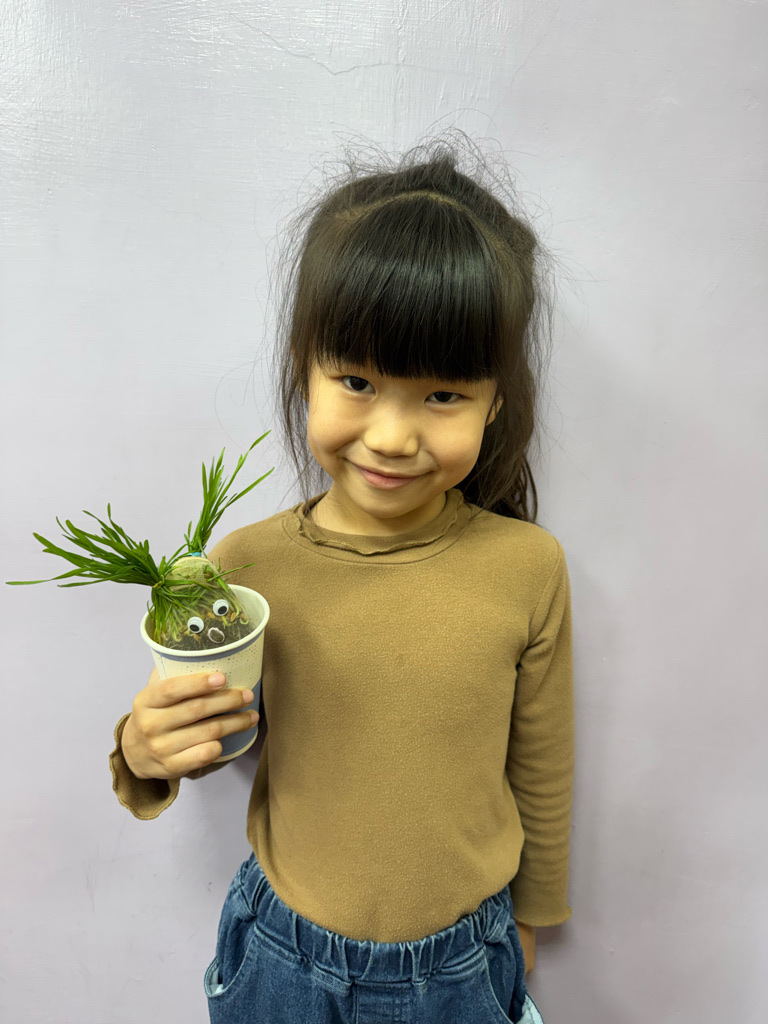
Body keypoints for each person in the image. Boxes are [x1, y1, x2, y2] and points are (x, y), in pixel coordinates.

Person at [109, 130, 575, 1024]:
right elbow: (210, 729)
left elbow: (542, 761)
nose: (392, 437)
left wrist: (532, 917)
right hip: (281, 959)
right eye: (357, 380)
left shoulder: (527, 567)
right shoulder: (245, 565)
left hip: (464, 964)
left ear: (495, 401)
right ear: (305, 371)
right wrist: (144, 752)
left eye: (443, 394)